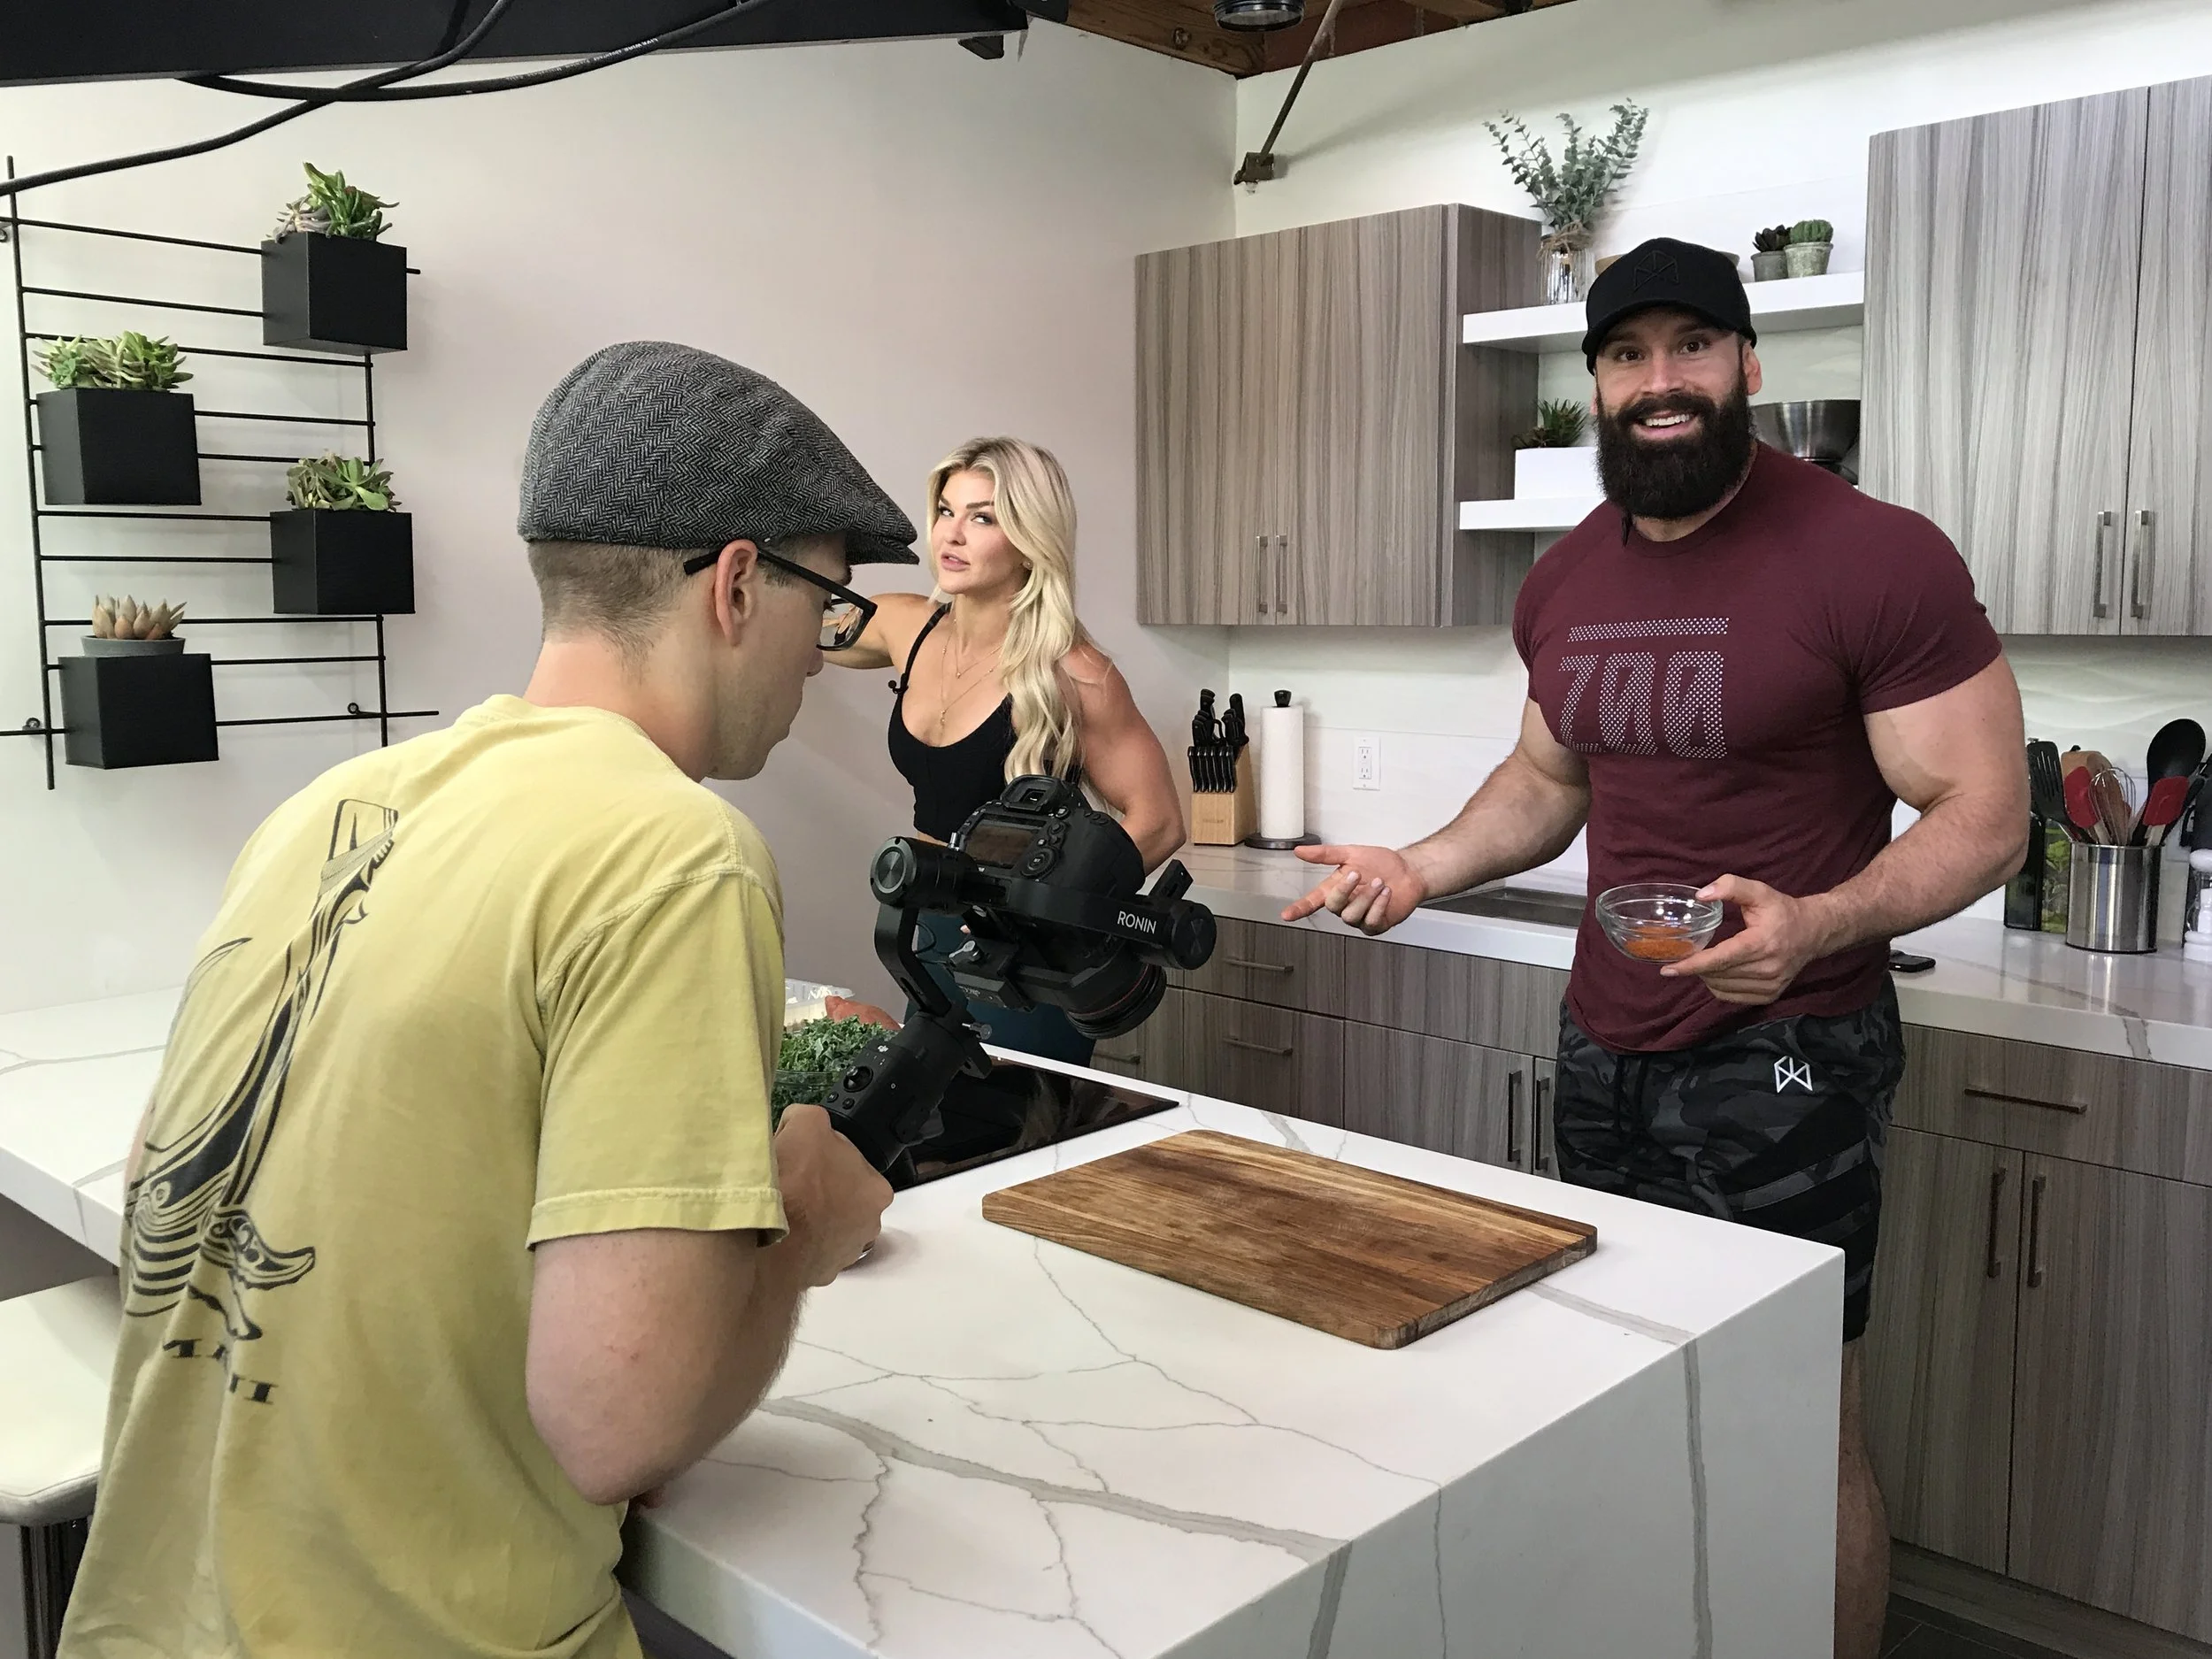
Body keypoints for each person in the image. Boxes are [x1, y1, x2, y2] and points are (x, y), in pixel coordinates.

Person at [60, 342, 905, 1659]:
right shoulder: (671, 850)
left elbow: (173, 1188)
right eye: (830, 608)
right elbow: (614, 1425)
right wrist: (803, 1225)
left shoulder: (327, 809)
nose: (824, 655)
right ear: (739, 584)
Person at [1284, 240, 2026, 1659]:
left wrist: (1817, 923)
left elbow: (1985, 812)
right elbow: (1548, 781)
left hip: (1788, 1047)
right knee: (1622, 1382)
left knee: (1799, 1410)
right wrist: (1421, 862)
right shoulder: (1566, 579)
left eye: (1694, 346)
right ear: (1600, 383)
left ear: (1750, 366)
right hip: (1604, 1038)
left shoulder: (1873, 553)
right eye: (1629, 355)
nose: (1660, 379)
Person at [826, 435, 1182, 1064]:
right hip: (925, 925)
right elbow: (785, 623)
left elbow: (1158, 820)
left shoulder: (1075, 672)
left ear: (1029, 539)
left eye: (983, 517)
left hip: (1021, 956)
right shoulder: (905, 625)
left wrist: (1042, 916)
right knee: (931, 1127)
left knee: (1022, 1140)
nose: (952, 534)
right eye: (946, 511)